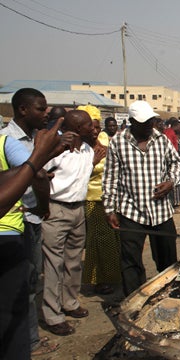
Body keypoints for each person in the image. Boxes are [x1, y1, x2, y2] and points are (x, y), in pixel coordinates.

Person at [0, 89, 66, 358]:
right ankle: (27, 343)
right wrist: (43, 205)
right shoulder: (8, 142)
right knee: (20, 293)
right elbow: (36, 175)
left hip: (25, 222)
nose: (46, 113)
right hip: (14, 227)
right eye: (41, 109)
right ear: (23, 109)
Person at [103, 100, 180, 296]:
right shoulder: (118, 143)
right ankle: (134, 301)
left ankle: (168, 295)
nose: (148, 126)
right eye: (143, 122)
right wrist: (110, 209)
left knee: (167, 260)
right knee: (130, 262)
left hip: (161, 212)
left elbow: (176, 164)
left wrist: (171, 182)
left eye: (151, 121)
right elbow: (110, 177)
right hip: (131, 211)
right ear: (131, 121)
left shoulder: (161, 140)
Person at [42, 110, 95, 336]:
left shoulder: (88, 150)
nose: (93, 128)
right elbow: (39, 174)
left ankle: (70, 303)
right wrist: (43, 205)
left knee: (73, 261)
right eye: (89, 125)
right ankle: (53, 315)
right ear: (77, 127)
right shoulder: (56, 150)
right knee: (54, 264)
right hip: (56, 209)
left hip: (78, 210)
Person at [78, 105, 120, 296]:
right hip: (91, 199)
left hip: (111, 197)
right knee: (99, 241)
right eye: (90, 127)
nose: (94, 131)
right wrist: (91, 162)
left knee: (113, 239)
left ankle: (112, 275)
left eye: (97, 127)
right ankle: (99, 279)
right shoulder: (77, 147)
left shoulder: (105, 140)